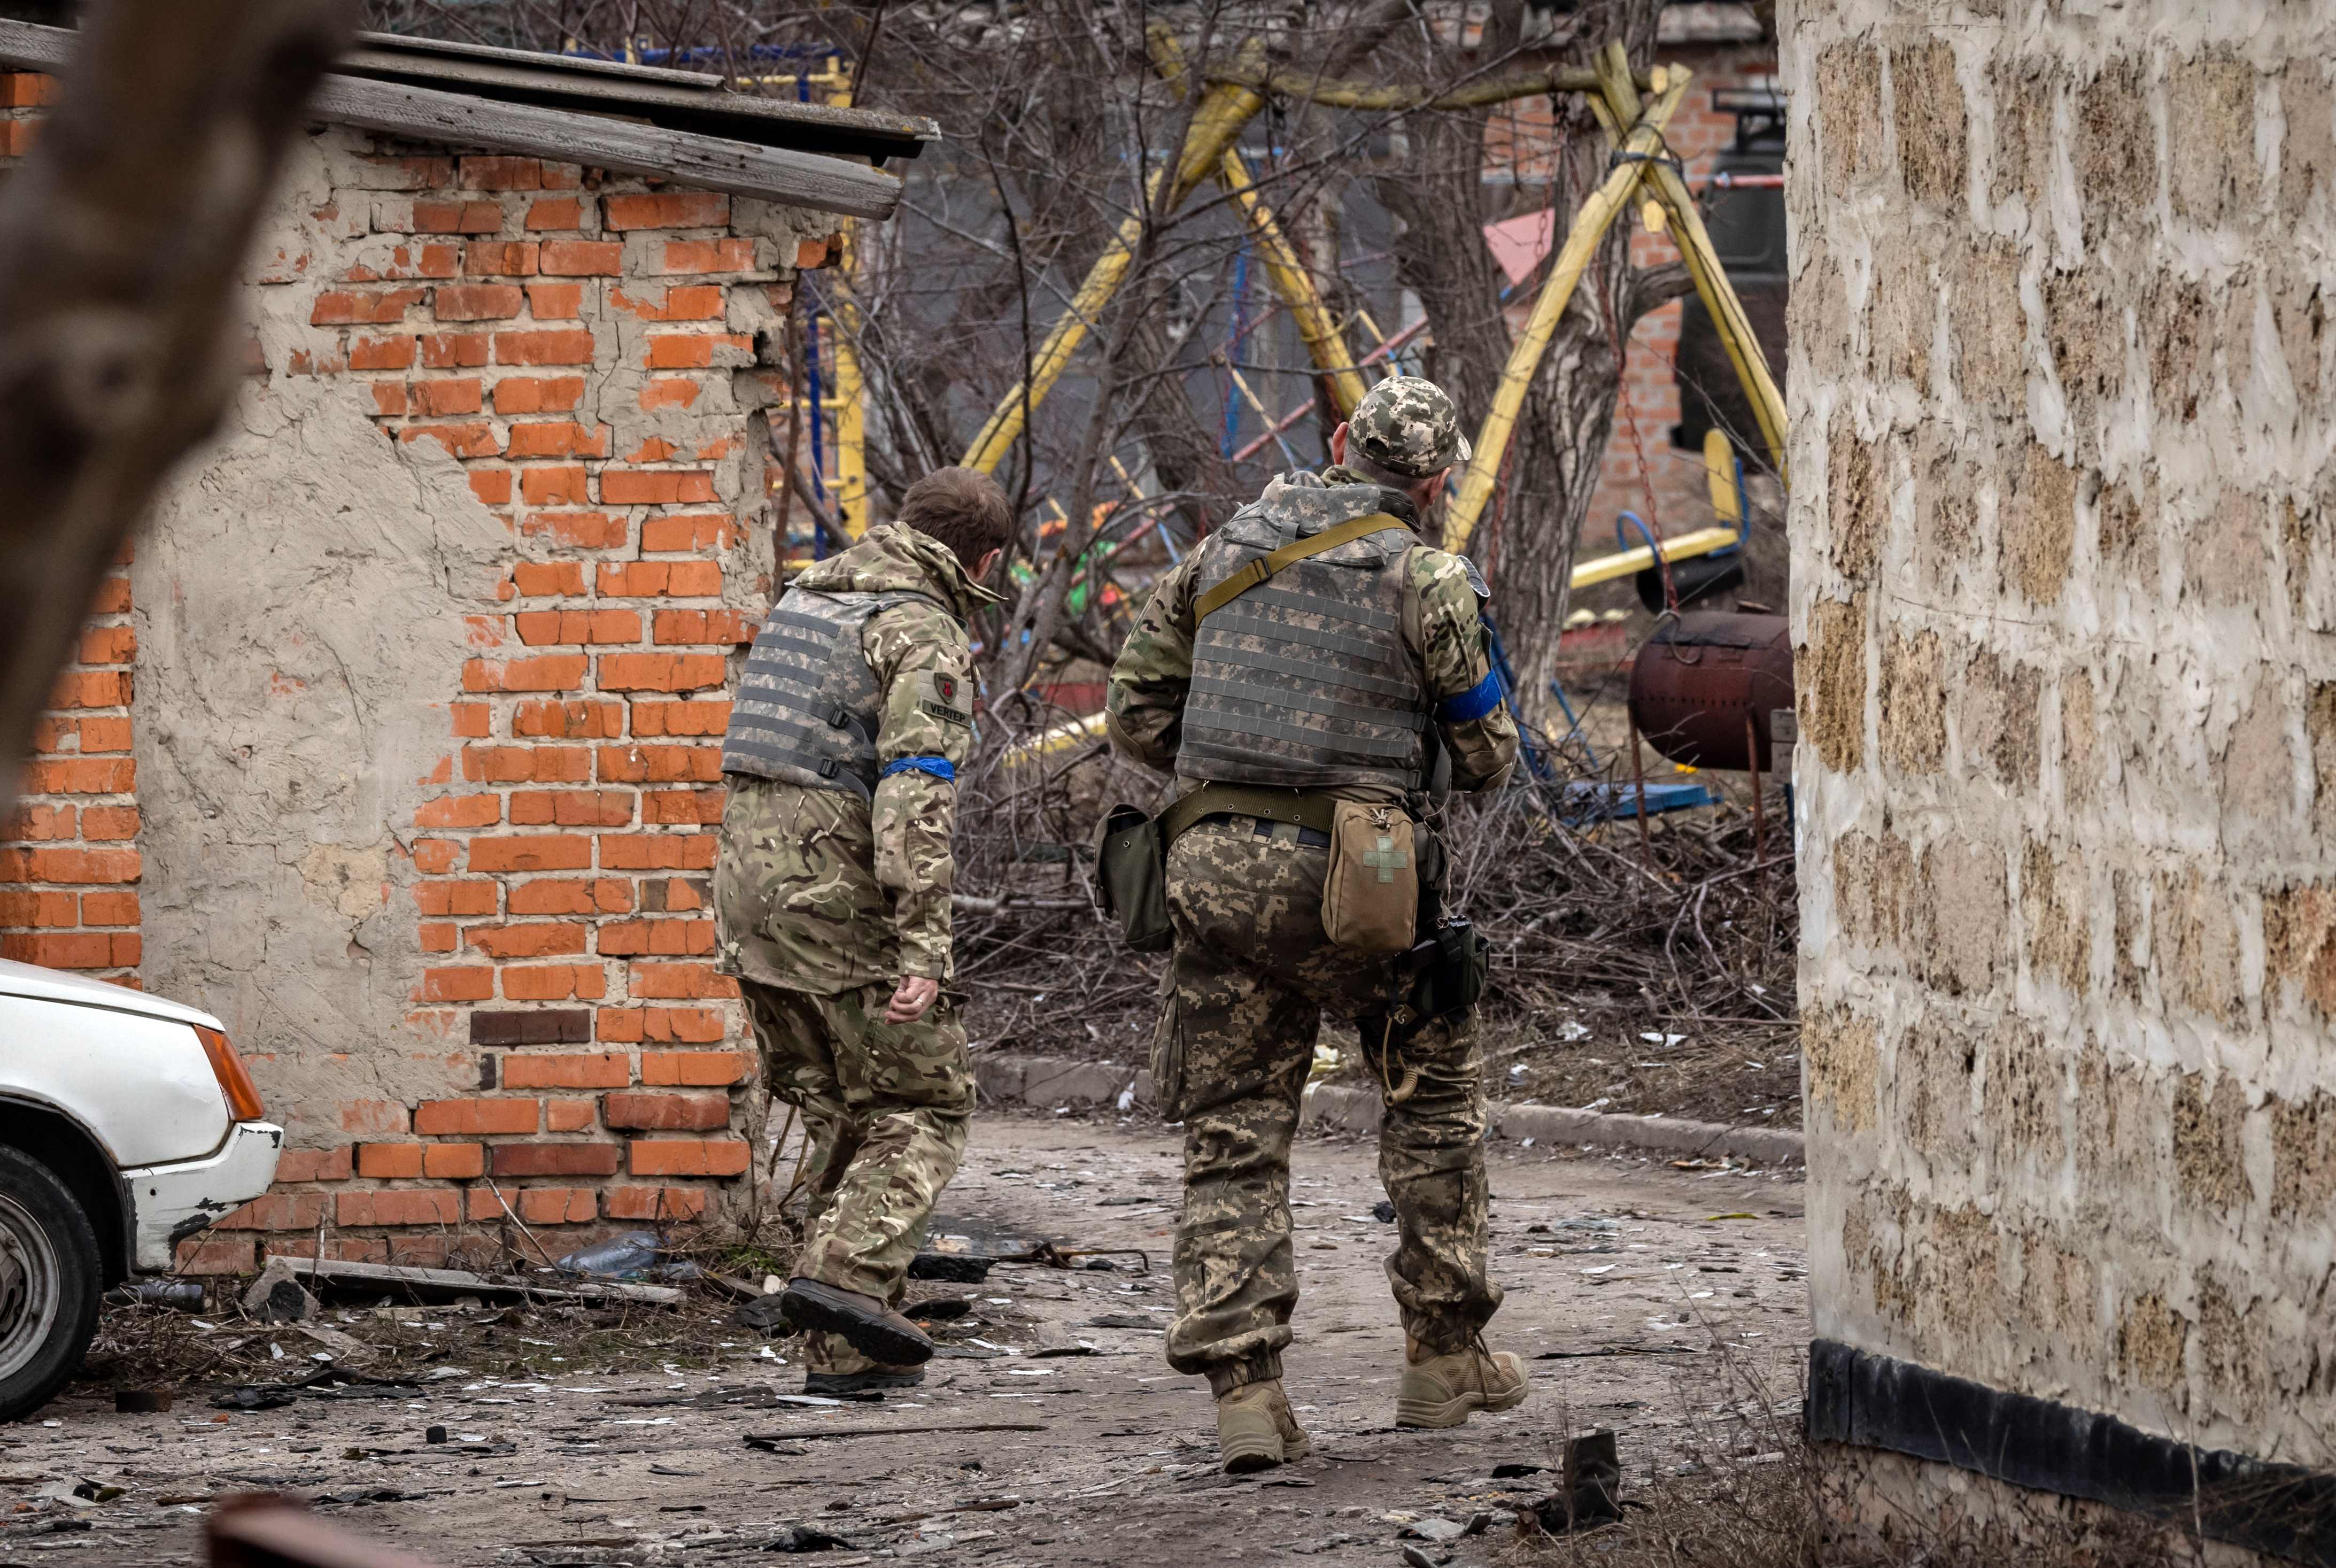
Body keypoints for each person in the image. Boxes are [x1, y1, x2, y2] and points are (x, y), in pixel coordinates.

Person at [1104, 376, 1526, 1471]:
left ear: (1339, 444)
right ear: (1433, 482)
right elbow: (1487, 757)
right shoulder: (1428, 577)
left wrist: (1237, 778)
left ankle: (1246, 1392)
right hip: (1363, 878)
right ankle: (1441, 1357)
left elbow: (1136, 714)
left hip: (1208, 864)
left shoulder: (1216, 556)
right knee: (1430, 1098)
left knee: (1233, 1125)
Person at [715, 467, 1009, 1395]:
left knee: (844, 1109)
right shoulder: (921, 628)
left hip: (748, 897)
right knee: (924, 1106)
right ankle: (837, 1284)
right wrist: (924, 945)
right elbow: (914, 795)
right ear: (987, 559)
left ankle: (840, 1354)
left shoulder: (804, 600)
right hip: (839, 901)